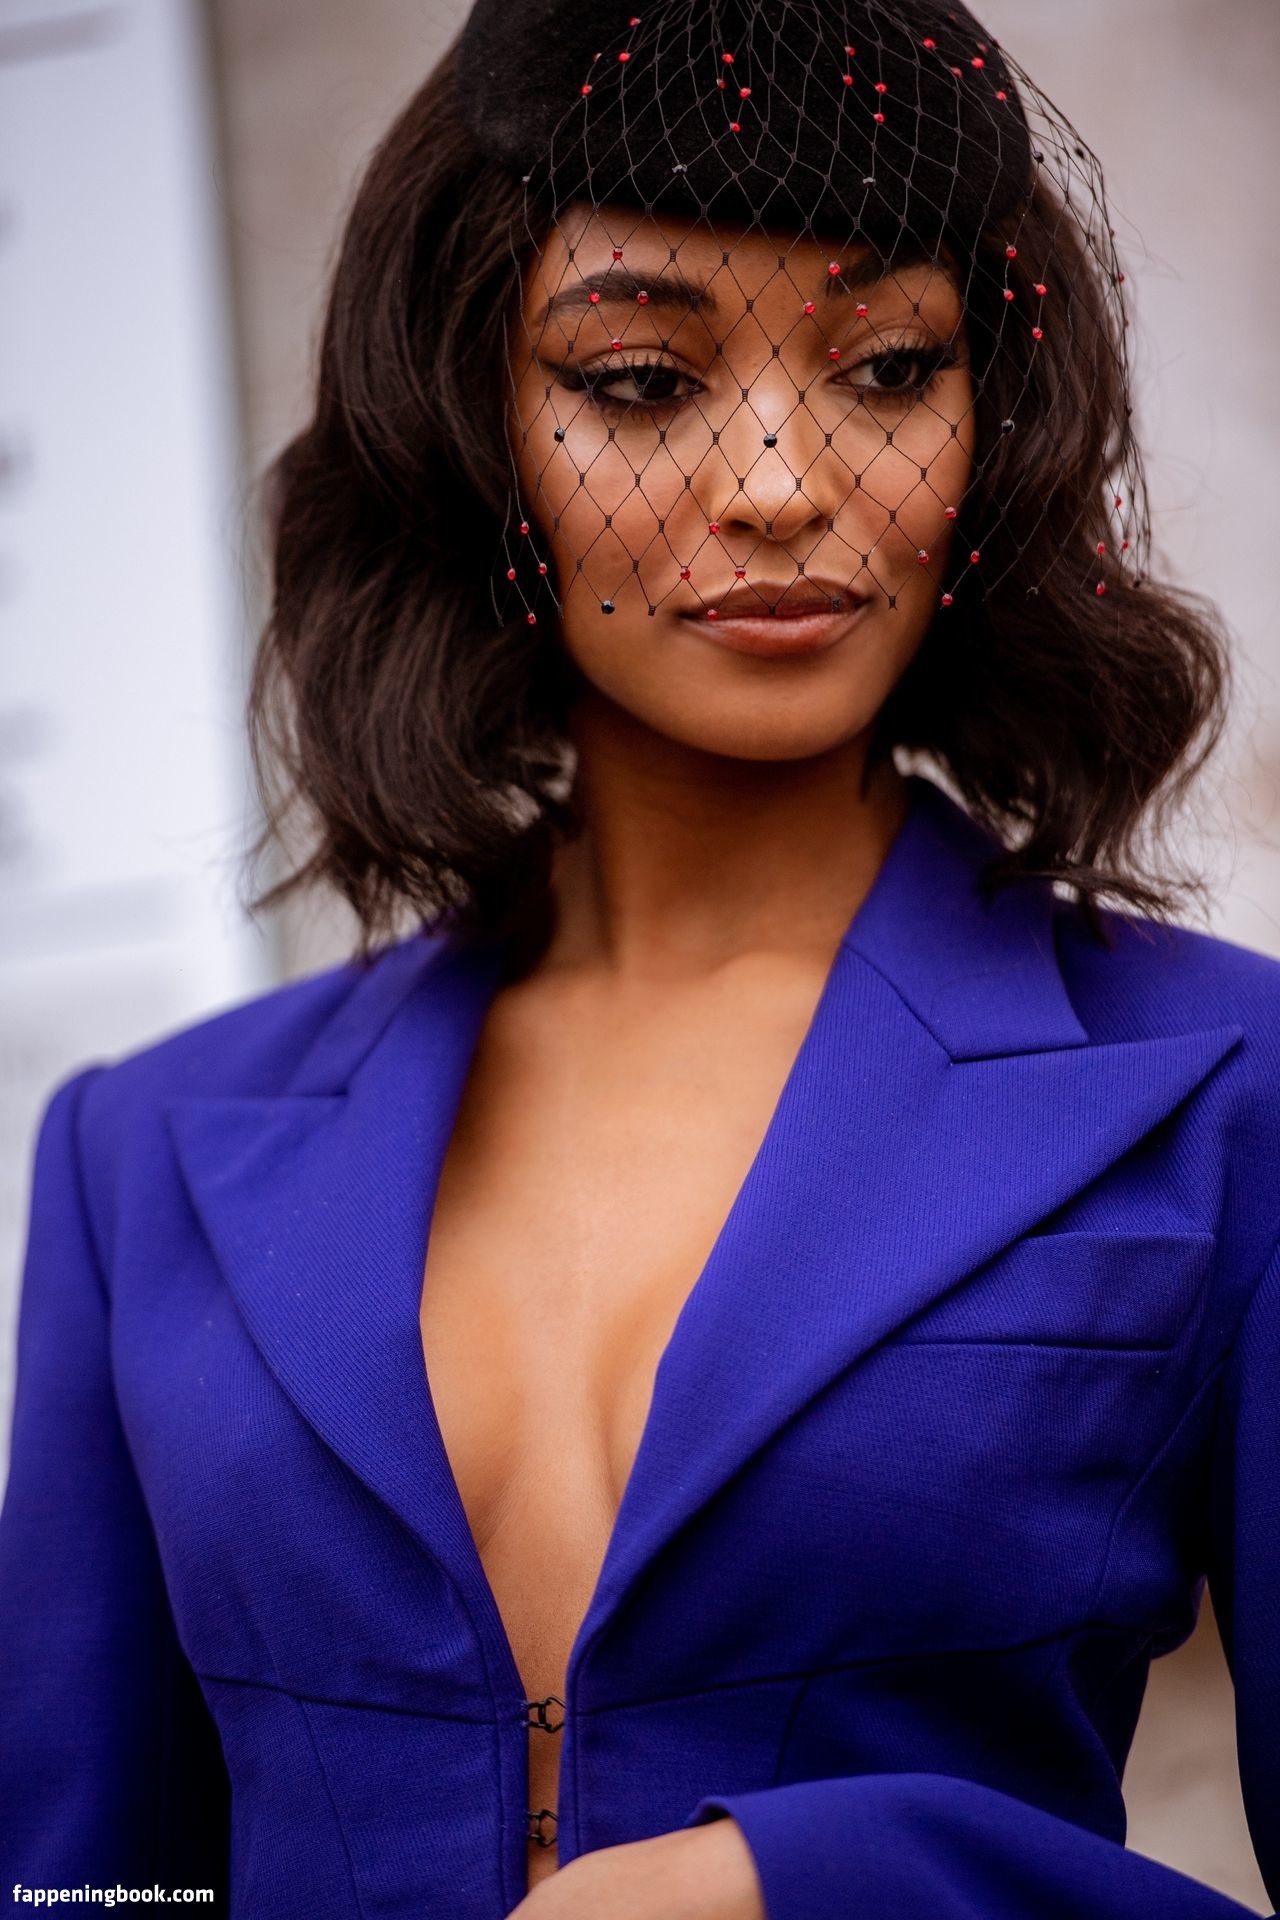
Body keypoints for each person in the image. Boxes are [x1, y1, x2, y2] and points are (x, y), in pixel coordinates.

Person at [1, 2, 1277, 1916]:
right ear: (475, 429)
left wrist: (831, 1883)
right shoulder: (149, 1154)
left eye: (889, 366)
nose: (777, 480)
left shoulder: (1229, 1096)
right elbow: (80, 1888)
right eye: (642, 379)